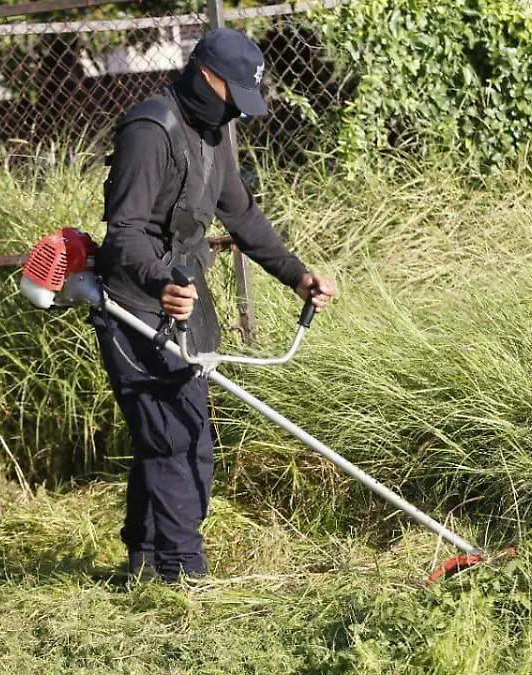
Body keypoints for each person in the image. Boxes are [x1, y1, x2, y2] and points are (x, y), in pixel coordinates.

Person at [90, 27, 336, 584]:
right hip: (136, 305)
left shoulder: (215, 131)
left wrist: (296, 276)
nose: (236, 114)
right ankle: (184, 577)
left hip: (186, 300)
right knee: (171, 437)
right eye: (233, 98)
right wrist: (159, 284)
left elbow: (242, 215)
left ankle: (147, 560)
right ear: (206, 77)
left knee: (187, 439)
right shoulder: (149, 131)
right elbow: (124, 233)